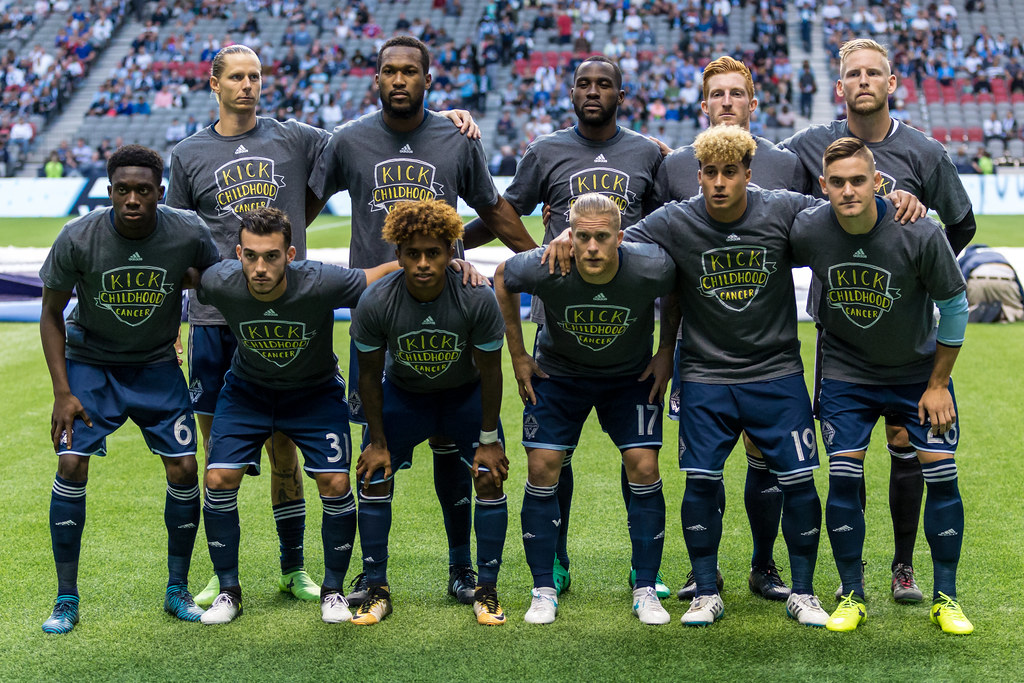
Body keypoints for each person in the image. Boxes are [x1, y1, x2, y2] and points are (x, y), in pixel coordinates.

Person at [170, 43, 484, 607]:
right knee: (221, 455)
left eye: (255, 76)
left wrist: (451, 118)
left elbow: (375, 130)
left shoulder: (296, 137)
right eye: (236, 77)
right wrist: (175, 326)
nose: (247, 85)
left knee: (287, 447)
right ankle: (223, 574)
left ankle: (294, 568)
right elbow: (175, 242)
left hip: (294, 311)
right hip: (216, 319)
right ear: (212, 83)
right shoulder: (188, 153)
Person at [548, 126, 830, 628]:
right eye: (710, 173)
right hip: (703, 373)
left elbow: (840, 211)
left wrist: (893, 199)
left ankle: (803, 592)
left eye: (730, 173)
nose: (719, 183)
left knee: (799, 482)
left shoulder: (783, 207)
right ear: (698, 175)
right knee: (701, 482)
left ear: (748, 172)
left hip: (777, 371)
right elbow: (614, 239)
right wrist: (572, 233)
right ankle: (705, 590)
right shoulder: (677, 219)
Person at [310, 35, 536, 607]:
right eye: (390, 71)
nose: (400, 80)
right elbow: (300, 210)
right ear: (377, 80)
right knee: (377, 450)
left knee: (453, 454)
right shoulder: (349, 140)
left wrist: (540, 264)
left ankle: (463, 570)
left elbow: (491, 211)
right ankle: (374, 573)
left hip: (450, 310)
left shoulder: (454, 138)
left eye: (411, 71)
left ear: (428, 80)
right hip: (381, 314)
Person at [780, 38, 976, 602]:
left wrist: (913, 261)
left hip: (907, 336)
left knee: (905, 442)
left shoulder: (925, 151)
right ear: (839, 87)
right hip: (843, 337)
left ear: (891, 84)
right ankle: (852, 584)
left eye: (874, 73)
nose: (863, 81)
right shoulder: (807, 147)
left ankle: (905, 565)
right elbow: (776, 203)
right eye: (852, 75)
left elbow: (958, 226)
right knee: (849, 460)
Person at [465, 54, 667, 599]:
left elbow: (678, 223)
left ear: (621, 95)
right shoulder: (546, 151)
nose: (594, 91)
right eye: (584, 84)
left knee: (640, 458)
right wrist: (450, 243)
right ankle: (554, 558)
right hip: (560, 331)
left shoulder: (649, 152)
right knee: (555, 455)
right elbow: (502, 211)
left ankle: (645, 569)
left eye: (605, 84)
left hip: (625, 329)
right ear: (571, 93)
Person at [38, 144, 220, 634]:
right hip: (91, 364)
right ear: (109, 191)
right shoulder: (78, 236)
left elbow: (215, 281)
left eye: (143, 190)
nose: (133, 199)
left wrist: (193, 282)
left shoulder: (187, 230)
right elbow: (51, 314)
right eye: (123, 190)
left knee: (185, 468)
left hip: (157, 364)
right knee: (71, 463)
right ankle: (65, 598)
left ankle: (177, 590)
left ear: (160, 192)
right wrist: (62, 392)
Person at [192, 207, 396, 625]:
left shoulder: (321, 280)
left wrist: (453, 260)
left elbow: (380, 274)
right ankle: (228, 591)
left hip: (313, 393)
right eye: (250, 256)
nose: (260, 267)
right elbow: (177, 276)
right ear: (238, 253)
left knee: (336, 481)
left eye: (271, 256)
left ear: (291, 254)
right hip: (247, 392)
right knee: (218, 478)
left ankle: (334, 591)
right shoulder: (219, 281)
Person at [653, 56, 808, 602]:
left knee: (766, 456)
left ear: (752, 102)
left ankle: (764, 565)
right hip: (703, 350)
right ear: (703, 106)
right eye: (716, 94)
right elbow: (665, 263)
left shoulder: (787, 166)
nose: (726, 103)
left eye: (735, 94)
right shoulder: (674, 166)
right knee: (705, 465)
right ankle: (704, 570)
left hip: (767, 349)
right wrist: (665, 347)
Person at [493, 193, 676, 625]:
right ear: (569, 236)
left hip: (628, 378)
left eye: (602, 237)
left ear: (621, 237)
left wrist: (666, 349)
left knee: (644, 467)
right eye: (583, 237)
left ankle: (646, 587)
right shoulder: (548, 263)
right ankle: (542, 588)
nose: (592, 247)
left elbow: (677, 288)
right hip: (560, 377)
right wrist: (519, 355)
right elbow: (501, 276)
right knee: (542, 467)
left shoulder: (651, 265)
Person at [349, 199, 510, 626]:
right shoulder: (376, 300)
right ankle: (376, 585)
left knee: (490, 476)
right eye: (413, 254)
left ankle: (484, 589)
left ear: (451, 253)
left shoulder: (476, 296)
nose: (423, 263)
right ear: (397, 254)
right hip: (406, 396)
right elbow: (368, 378)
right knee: (372, 472)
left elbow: (492, 374)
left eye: (434, 253)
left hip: (464, 396)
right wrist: (378, 442)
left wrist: (490, 440)